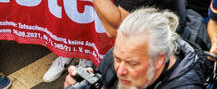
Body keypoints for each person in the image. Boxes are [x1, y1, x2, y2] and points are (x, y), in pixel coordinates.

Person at [64, 8, 205, 89]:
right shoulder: (124, 52)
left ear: (159, 60)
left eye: (132, 64)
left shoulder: (185, 86)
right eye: (117, 59)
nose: (120, 71)